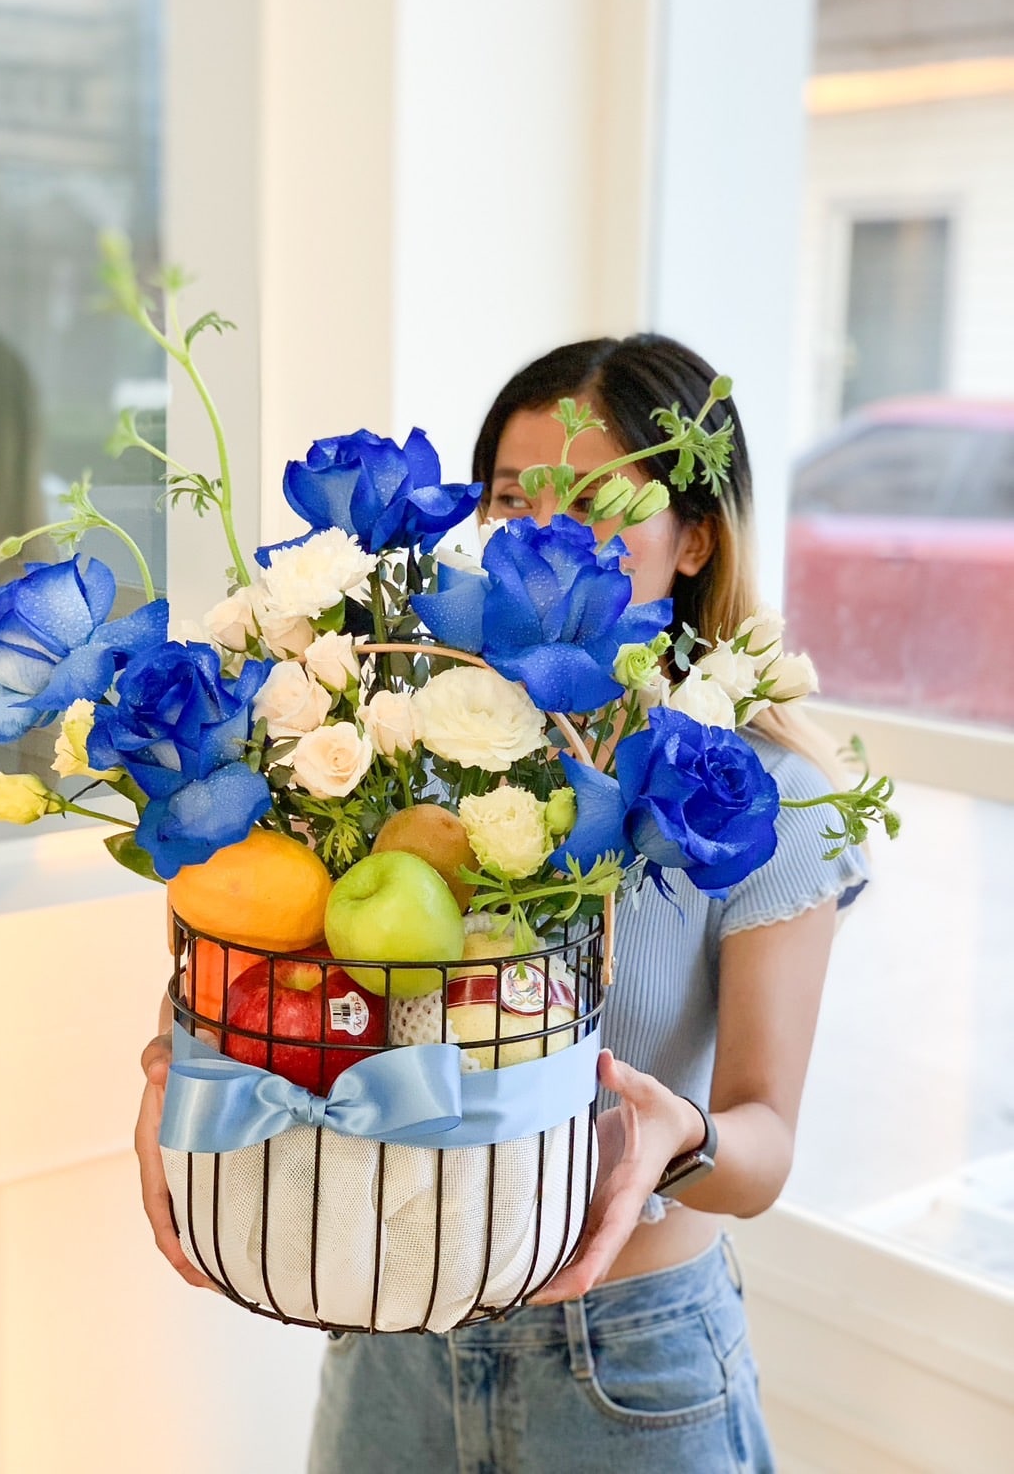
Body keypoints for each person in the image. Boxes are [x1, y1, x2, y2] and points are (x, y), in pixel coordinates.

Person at [135, 333, 868, 1472]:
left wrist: (672, 1137)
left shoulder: (772, 799)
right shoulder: (424, 752)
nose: (549, 534)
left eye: (595, 499)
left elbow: (763, 1148)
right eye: (515, 499)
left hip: (629, 1358)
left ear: (694, 537)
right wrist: (186, 1073)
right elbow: (319, 988)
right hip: (395, 1321)